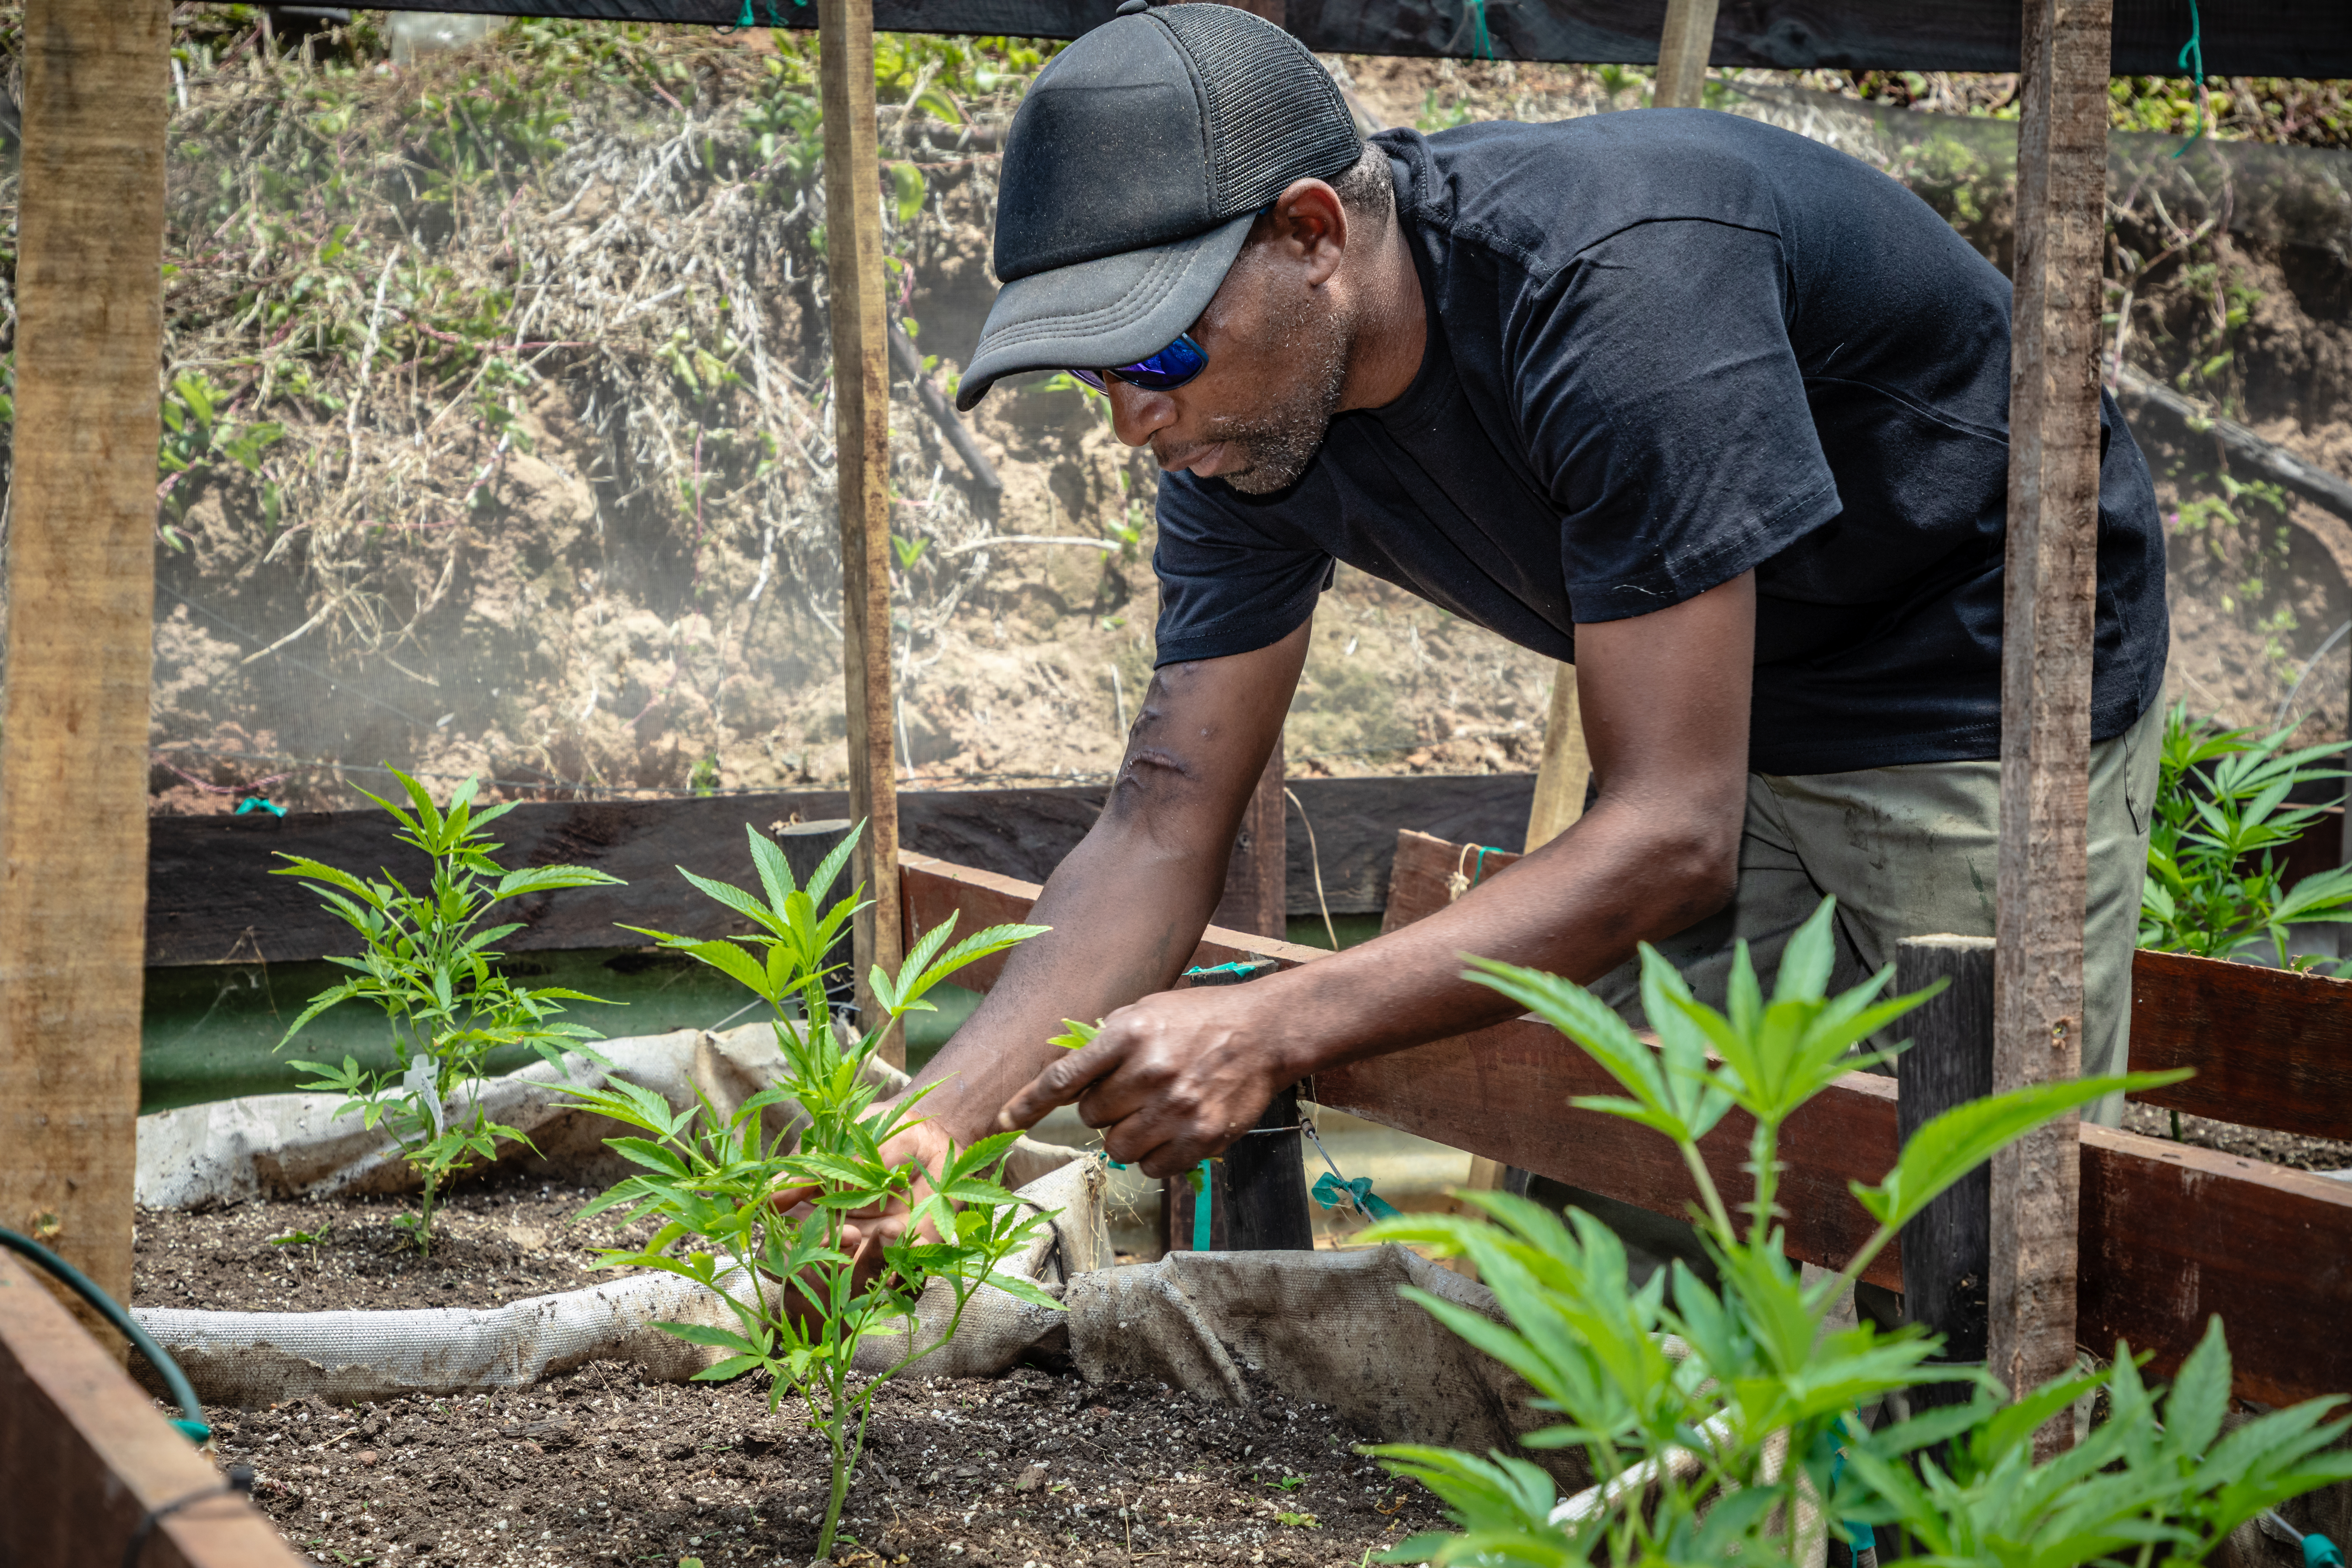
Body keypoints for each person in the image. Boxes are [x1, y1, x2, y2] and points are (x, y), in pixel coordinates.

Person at [878, 1, 2167, 1196]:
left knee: (1973, 1224)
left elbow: (1671, 834)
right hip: (1724, 693)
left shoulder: (1616, 297)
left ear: (1313, 234)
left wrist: (1273, 1022)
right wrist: (925, 1133)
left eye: (1159, 347)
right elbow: (1165, 815)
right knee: (1615, 1224)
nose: (1132, 421)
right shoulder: (1235, 424)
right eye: (1098, 372)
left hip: (1963, 673)